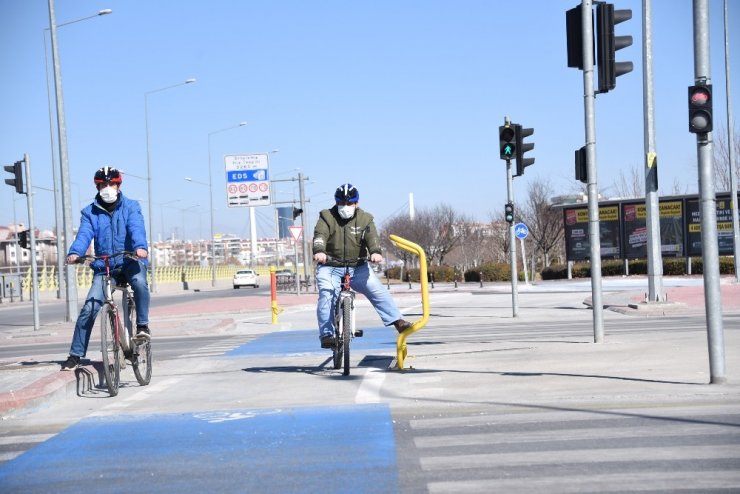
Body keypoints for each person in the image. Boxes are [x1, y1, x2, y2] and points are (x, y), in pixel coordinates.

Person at [60, 166, 151, 370]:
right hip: (105, 265)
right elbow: (84, 234)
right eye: (103, 185)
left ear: (118, 185)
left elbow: (136, 228)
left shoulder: (131, 207)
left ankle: (143, 325)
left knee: (140, 283)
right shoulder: (89, 212)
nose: (107, 188)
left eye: (111, 184)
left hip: (130, 260)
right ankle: (75, 354)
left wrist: (140, 248)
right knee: (90, 307)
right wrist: (75, 253)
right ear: (97, 186)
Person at [312, 183, 411, 348]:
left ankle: (397, 321)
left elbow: (372, 237)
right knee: (327, 295)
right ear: (336, 203)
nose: (345, 207)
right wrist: (319, 250)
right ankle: (327, 334)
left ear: (356, 203)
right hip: (330, 266)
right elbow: (319, 235)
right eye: (342, 203)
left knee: (376, 290)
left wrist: (375, 252)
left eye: (349, 203)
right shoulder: (326, 216)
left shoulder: (365, 218)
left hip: (357, 267)